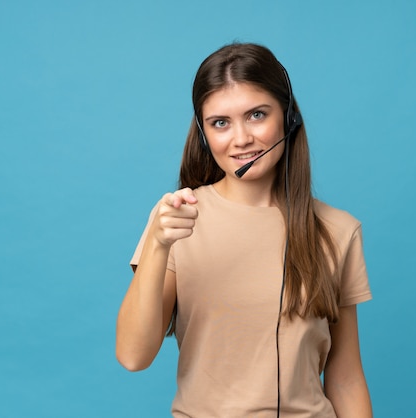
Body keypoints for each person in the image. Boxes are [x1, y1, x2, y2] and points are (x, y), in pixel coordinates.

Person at [116, 42, 373, 417]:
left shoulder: (338, 230)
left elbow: (346, 376)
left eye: (256, 115)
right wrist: (158, 244)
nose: (241, 139)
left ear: (288, 118)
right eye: (220, 122)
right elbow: (132, 356)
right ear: (204, 133)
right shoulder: (177, 222)